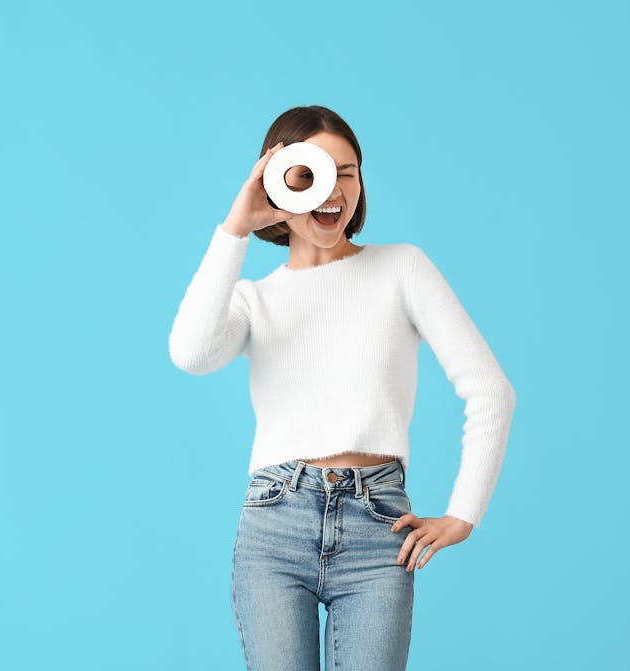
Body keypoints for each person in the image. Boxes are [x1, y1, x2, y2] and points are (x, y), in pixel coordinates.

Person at [168, 105, 516, 671]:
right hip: (275, 525)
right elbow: (190, 352)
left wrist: (463, 512)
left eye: (346, 172)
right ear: (278, 185)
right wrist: (236, 226)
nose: (331, 190)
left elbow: (491, 392)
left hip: (378, 527)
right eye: (309, 174)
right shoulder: (255, 300)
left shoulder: (402, 268)